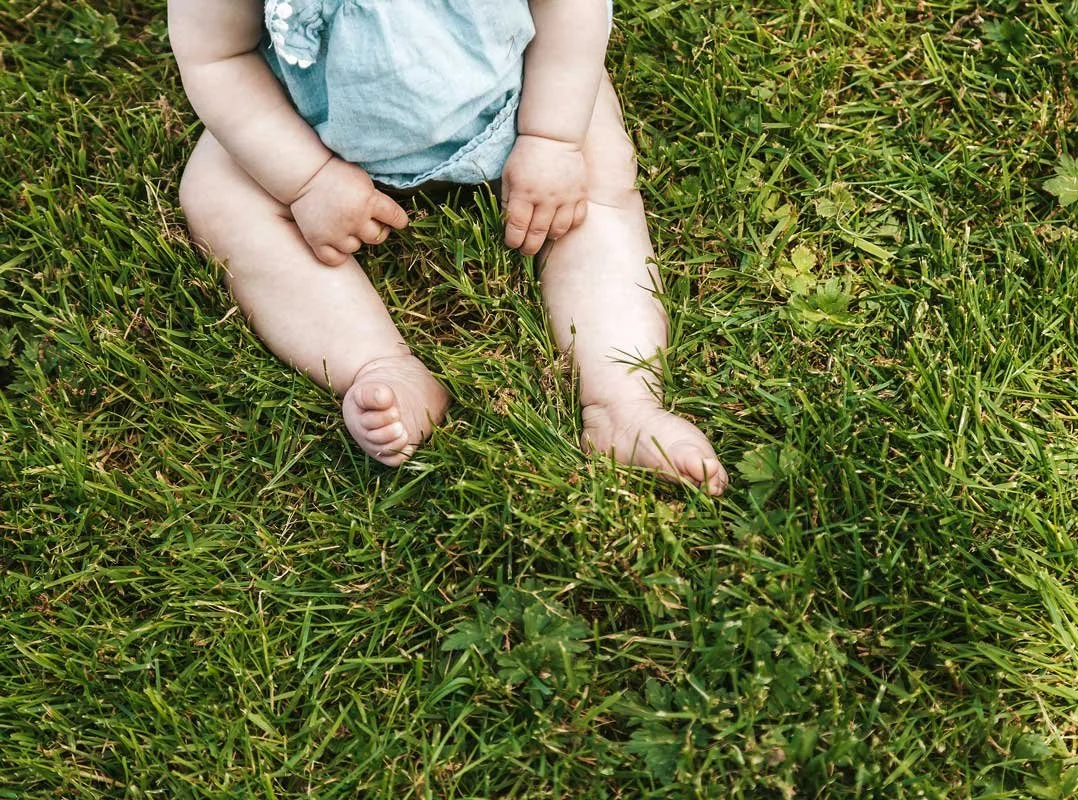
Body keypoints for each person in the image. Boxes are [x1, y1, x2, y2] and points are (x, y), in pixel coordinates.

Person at [167, 0, 728, 494]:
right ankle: (377, 365)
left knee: (595, 186)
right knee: (218, 194)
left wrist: (551, 138)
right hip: (311, 120)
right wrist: (306, 177)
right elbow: (217, 57)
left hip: (515, 95)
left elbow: (570, 10)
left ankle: (623, 403)